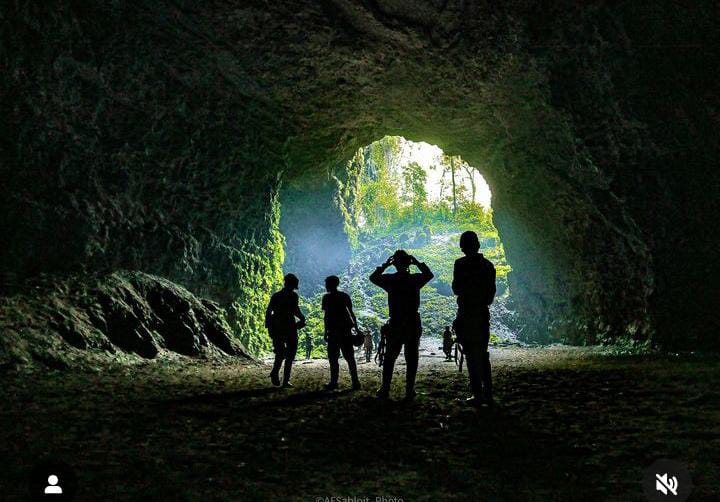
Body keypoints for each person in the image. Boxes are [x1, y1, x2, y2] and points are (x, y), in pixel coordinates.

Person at [370, 249, 433, 400]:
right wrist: (417, 262)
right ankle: (409, 390)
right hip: (412, 321)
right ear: (408, 262)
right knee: (412, 357)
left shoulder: (390, 280)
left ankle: (385, 389)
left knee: (390, 357)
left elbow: (373, 277)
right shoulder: (415, 280)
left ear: (395, 264)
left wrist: (385, 265)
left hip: (396, 322)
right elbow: (429, 275)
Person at [452, 231, 496, 406]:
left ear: (462, 247)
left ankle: (477, 394)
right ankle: (488, 393)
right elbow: (490, 295)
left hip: (465, 314)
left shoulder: (460, 264)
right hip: (481, 314)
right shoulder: (488, 266)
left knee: (470, 355)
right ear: (478, 245)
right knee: (482, 355)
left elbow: (456, 289)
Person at [265, 273, 306, 387]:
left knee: (280, 353)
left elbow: (269, 311)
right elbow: (295, 310)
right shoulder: (293, 296)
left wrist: (269, 327)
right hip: (290, 327)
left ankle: (275, 373)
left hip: (278, 327)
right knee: (290, 354)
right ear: (293, 285)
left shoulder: (276, 295)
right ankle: (284, 380)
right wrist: (302, 318)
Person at [322, 275, 361, 391]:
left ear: (329, 284)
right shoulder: (344, 296)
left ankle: (334, 382)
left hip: (334, 332)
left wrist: (325, 332)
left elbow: (326, 316)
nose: (325, 286)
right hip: (345, 331)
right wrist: (357, 329)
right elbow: (351, 314)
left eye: (326, 284)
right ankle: (355, 382)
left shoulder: (326, 298)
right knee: (350, 357)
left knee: (333, 358)